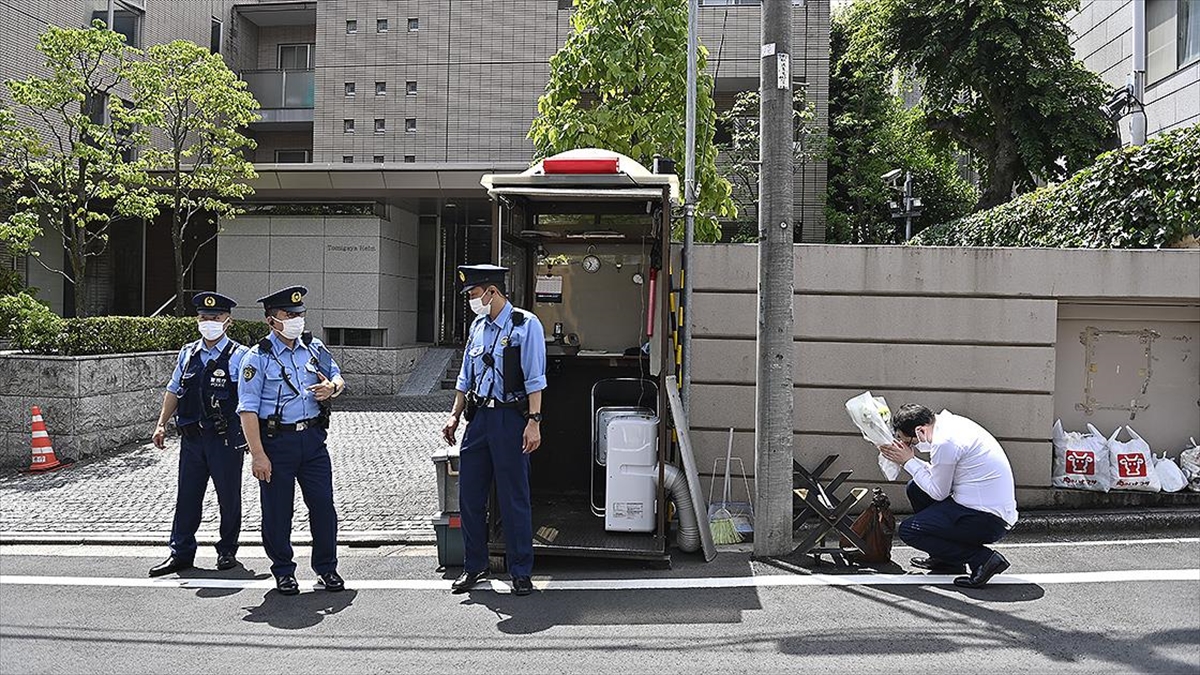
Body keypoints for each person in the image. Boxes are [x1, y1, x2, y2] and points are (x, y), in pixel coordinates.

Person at [441, 264, 546, 597]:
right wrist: (455, 415)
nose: (472, 300)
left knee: (514, 497)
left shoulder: (525, 325)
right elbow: (465, 377)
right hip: (480, 421)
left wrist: (534, 421)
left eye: (474, 294)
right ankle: (475, 565)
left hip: (510, 419)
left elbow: (535, 379)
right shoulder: (477, 326)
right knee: (470, 496)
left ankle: (520, 570)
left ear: (492, 291)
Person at [237, 286, 347, 596]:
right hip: (276, 443)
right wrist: (258, 455)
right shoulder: (256, 357)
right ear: (272, 320)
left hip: (312, 440)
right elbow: (247, 410)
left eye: (300, 314)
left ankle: (327, 569)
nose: (297, 319)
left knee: (324, 505)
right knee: (277, 511)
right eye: (289, 315)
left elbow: (337, 376)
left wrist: (332, 388)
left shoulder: (313, 348)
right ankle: (283, 570)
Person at [149, 292, 250, 577]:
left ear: (227, 321)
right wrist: (161, 424)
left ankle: (227, 550)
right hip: (192, 438)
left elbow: (249, 400)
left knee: (228, 497)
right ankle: (180, 552)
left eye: (215, 318)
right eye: (204, 318)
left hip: (225, 438)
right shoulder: (188, 352)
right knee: (187, 496)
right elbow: (174, 390)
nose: (209, 322)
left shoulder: (239, 356)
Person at [879, 404, 1018, 588]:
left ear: (920, 431)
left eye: (911, 442)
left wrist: (908, 462)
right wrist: (909, 461)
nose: (912, 447)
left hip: (987, 520)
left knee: (909, 530)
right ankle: (947, 560)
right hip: (986, 509)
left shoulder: (945, 443)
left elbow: (938, 492)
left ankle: (983, 559)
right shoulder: (949, 424)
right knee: (916, 488)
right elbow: (936, 477)